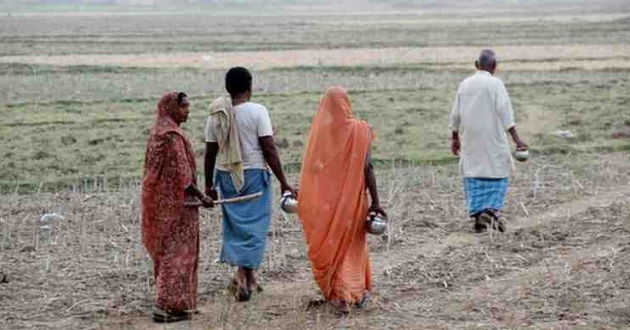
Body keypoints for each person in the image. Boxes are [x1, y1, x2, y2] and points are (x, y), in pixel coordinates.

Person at [204, 67, 295, 301]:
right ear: (250, 87)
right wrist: (284, 182)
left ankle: (249, 277)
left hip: (226, 176)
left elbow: (210, 153)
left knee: (236, 227)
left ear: (228, 88)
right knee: (255, 228)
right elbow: (269, 149)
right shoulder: (258, 111)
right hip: (254, 174)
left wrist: (208, 186)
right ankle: (243, 278)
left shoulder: (217, 115)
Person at [297, 86, 386, 315]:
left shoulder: (320, 135)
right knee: (351, 247)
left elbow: (311, 173)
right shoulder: (361, 131)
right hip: (352, 204)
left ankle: (340, 295)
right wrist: (376, 202)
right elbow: (368, 168)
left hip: (325, 206)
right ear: (347, 105)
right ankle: (351, 292)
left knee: (333, 246)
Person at [141, 91, 213, 323]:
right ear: (171, 109)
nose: (188, 111)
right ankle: (164, 307)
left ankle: (180, 305)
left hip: (161, 205)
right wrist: (203, 197)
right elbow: (184, 178)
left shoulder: (156, 132)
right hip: (178, 207)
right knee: (177, 255)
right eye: (184, 107)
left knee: (168, 253)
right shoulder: (171, 137)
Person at [449, 49, 528, 233]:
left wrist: (455, 138)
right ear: (494, 66)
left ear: (476, 65)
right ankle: (490, 210)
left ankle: (478, 217)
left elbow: (455, 113)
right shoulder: (495, 84)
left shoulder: (465, 84)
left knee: (473, 172)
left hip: (470, 137)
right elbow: (505, 112)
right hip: (492, 136)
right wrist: (517, 139)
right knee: (499, 169)